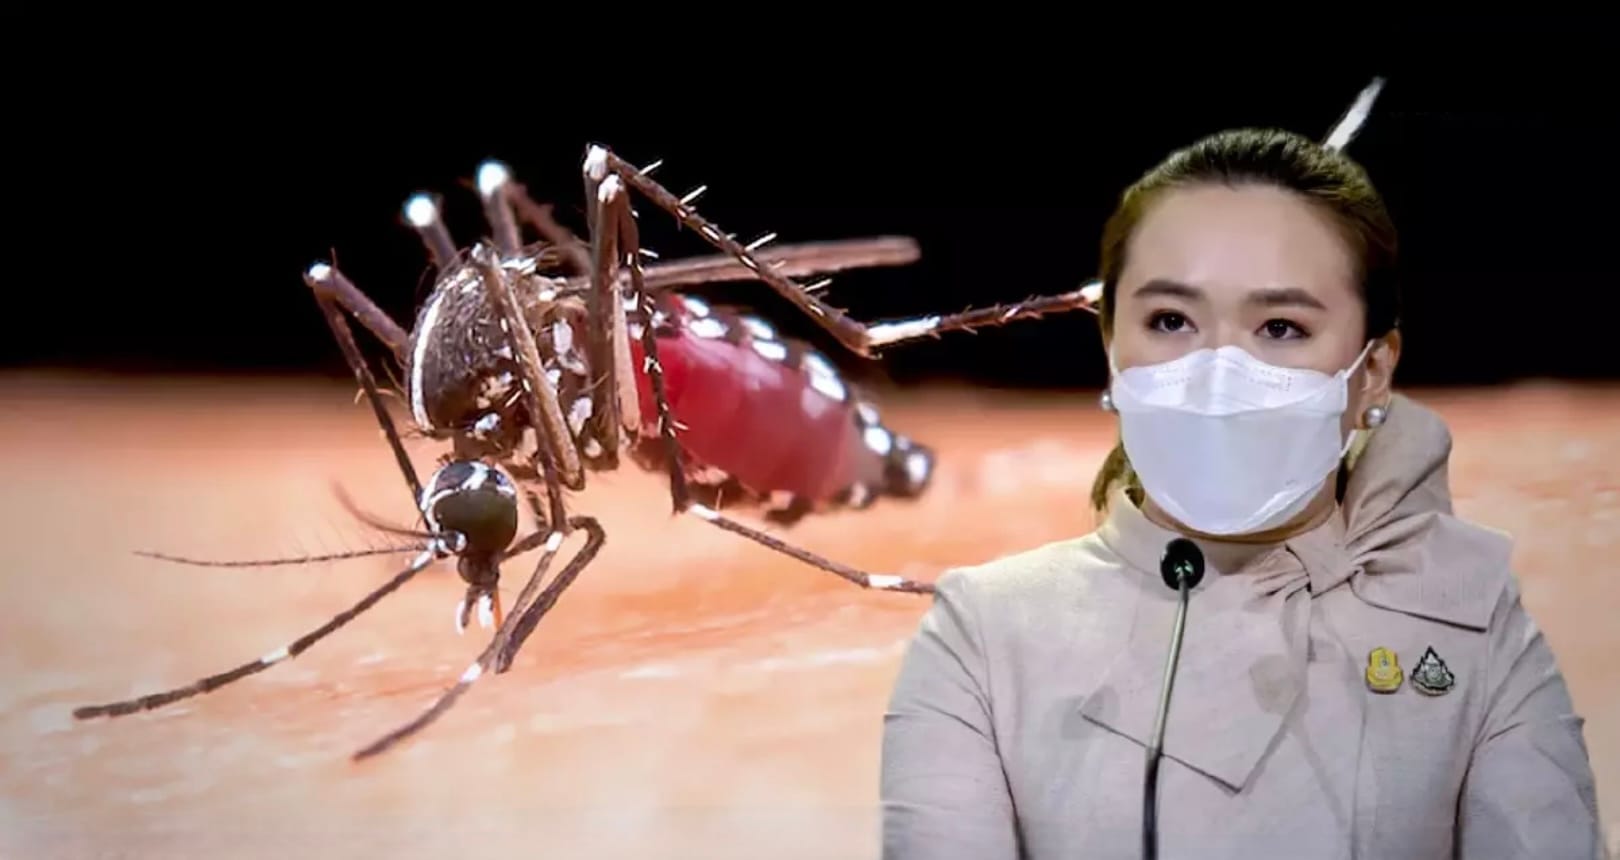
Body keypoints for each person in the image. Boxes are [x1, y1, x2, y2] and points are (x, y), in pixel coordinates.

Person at [879, 126, 1607, 858]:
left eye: (1281, 327)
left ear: (1373, 372)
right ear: (1109, 349)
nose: (1217, 372)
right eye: (1171, 321)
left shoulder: (1471, 622)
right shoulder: (985, 632)